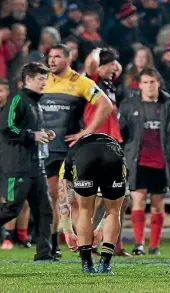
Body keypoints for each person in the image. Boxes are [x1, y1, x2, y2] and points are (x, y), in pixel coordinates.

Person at [41, 44, 113, 257]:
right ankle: (52, 244)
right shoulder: (42, 80)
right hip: (44, 149)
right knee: (51, 197)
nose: (52, 60)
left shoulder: (80, 82)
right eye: (50, 57)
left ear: (69, 59)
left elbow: (105, 105)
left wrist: (86, 131)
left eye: (57, 56)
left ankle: (82, 242)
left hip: (68, 149)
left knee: (71, 198)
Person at [119, 68, 170, 256]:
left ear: (159, 83)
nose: (150, 86)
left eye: (153, 82)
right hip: (138, 161)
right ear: (140, 85)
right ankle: (139, 244)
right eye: (146, 82)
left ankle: (155, 245)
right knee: (139, 201)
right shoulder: (129, 105)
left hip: (162, 162)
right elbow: (121, 134)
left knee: (158, 204)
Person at [0, 62, 56, 261]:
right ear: (29, 79)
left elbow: (32, 132)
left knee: (45, 209)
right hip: (18, 167)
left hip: (36, 166)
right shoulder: (17, 99)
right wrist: (32, 135)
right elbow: (6, 127)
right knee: (11, 209)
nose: (44, 83)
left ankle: (44, 254)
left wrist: (45, 134)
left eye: (45, 79)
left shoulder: (36, 103)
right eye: (41, 79)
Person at [82, 47, 131, 257]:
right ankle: (92, 242)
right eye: (109, 64)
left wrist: (111, 59)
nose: (114, 68)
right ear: (100, 67)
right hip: (97, 143)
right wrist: (98, 50)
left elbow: (118, 68)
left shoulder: (108, 84)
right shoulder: (91, 82)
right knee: (99, 198)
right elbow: (90, 64)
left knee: (122, 197)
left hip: (113, 144)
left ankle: (111, 242)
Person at [57, 133, 127, 273]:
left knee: (84, 211)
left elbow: (63, 195)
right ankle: (105, 264)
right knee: (114, 211)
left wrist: (67, 229)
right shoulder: (117, 151)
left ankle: (87, 264)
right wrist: (101, 228)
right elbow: (119, 203)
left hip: (84, 157)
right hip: (112, 156)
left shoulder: (68, 160)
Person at [0, 78, 31, 250]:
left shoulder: (13, 112)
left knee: (19, 200)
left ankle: (19, 237)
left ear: (7, 92)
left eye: (1, 91)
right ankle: (8, 237)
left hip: (11, 160)